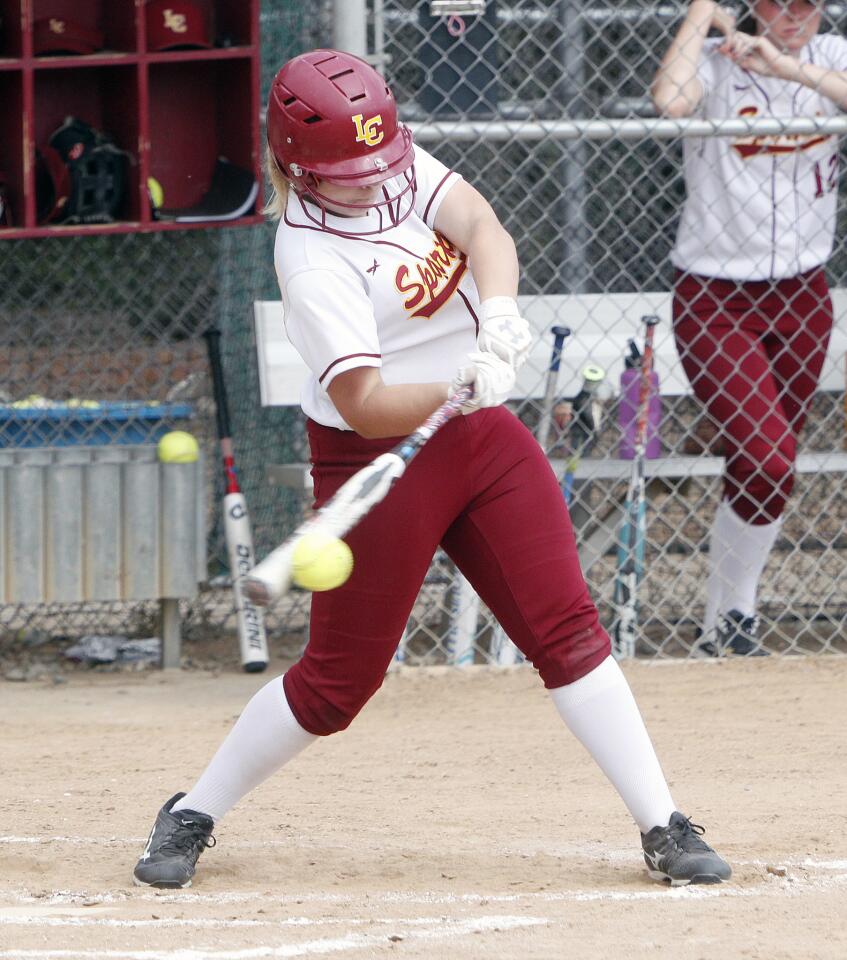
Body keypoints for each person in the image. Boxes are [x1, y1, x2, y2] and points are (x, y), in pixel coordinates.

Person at [133, 48, 729, 890]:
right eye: (348, 170)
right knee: (338, 686)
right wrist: (459, 380)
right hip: (376, 454)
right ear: (298, 166)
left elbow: (482, 227)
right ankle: (192, 809)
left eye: (380, 160)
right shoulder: (308, 257)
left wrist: (500, 318)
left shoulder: (392, 161)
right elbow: (368, 399)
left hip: (482, 439)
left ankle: (662, 823)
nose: (375, 181)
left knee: (565, 632)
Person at [651, 1, 847, 656]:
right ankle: (731, 611)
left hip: (802, 294)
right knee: (767, 455)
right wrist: (700, 16)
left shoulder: (831, 57)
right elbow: (671, 102)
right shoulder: (712, 65)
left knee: (764, 464)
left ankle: (724, 623)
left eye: (805, 4)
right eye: (774, 3)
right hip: (715, 296)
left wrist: (789, 70)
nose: (791, 15)